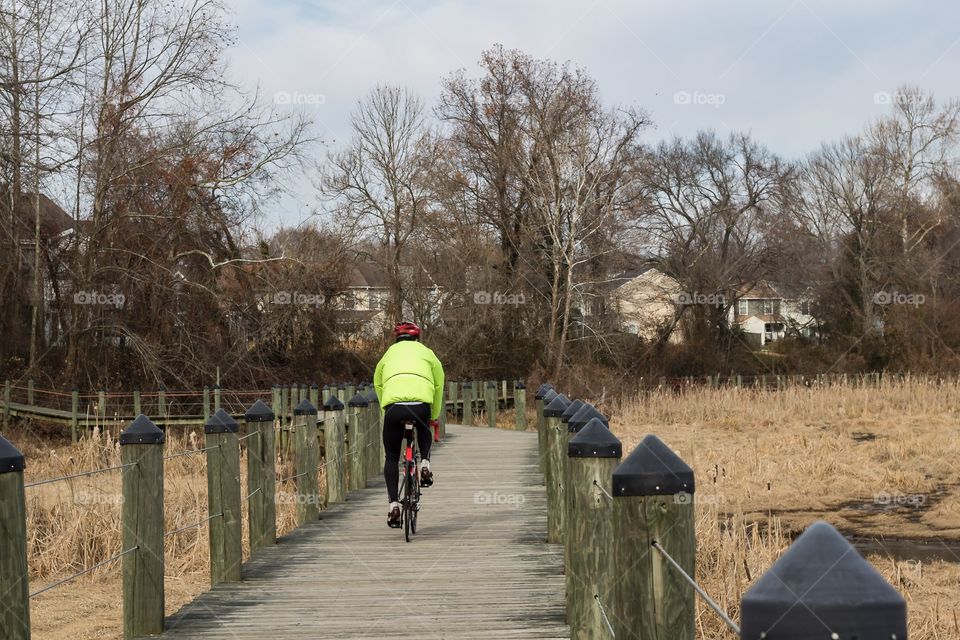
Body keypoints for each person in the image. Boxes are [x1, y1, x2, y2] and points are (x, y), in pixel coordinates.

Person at [374, 320, 445, 528]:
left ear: (397, 338)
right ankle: (425, 464)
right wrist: (434, 412)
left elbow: (377, 383)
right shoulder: (427, 353)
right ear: (417, 337)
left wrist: (385, 409)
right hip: (420, 404)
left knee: (392, 457)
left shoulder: (388, 355)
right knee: (424, 426)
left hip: (394, 408)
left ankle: (394, 505)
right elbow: (439, 382)